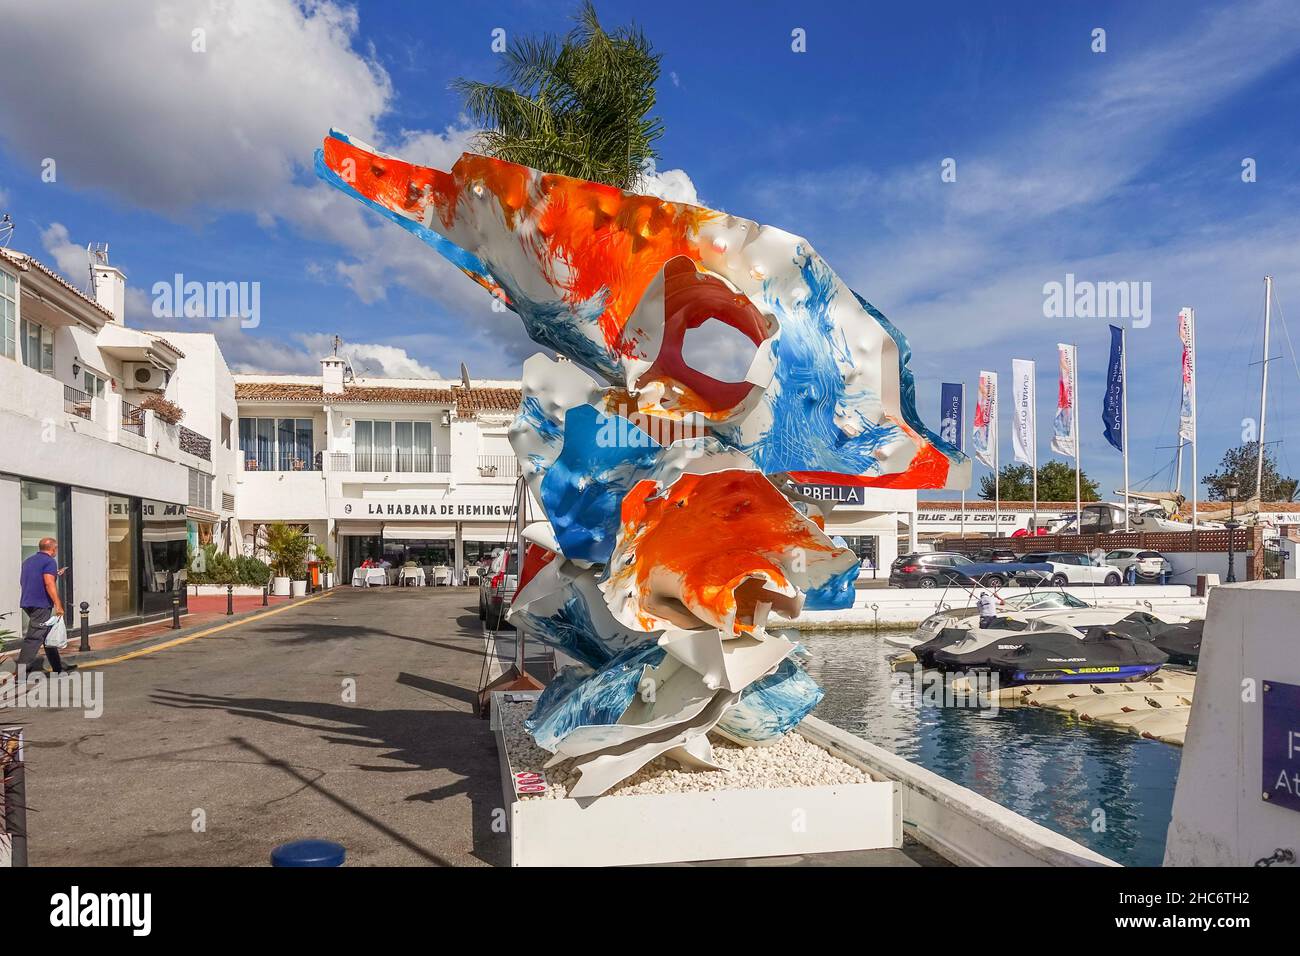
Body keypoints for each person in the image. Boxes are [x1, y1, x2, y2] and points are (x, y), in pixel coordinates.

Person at [17, 537, 70, 677]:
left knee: (47, 634)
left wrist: (55, 573)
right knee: (34, 638)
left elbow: (29, 579)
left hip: (28, 602)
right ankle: (20, 674)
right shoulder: (49, 561)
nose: (56, 551)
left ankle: (58, 669)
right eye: (56, 548)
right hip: (40, 604)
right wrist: (58, 604)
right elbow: (49, 583)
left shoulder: (28, 561)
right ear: (52, 549)